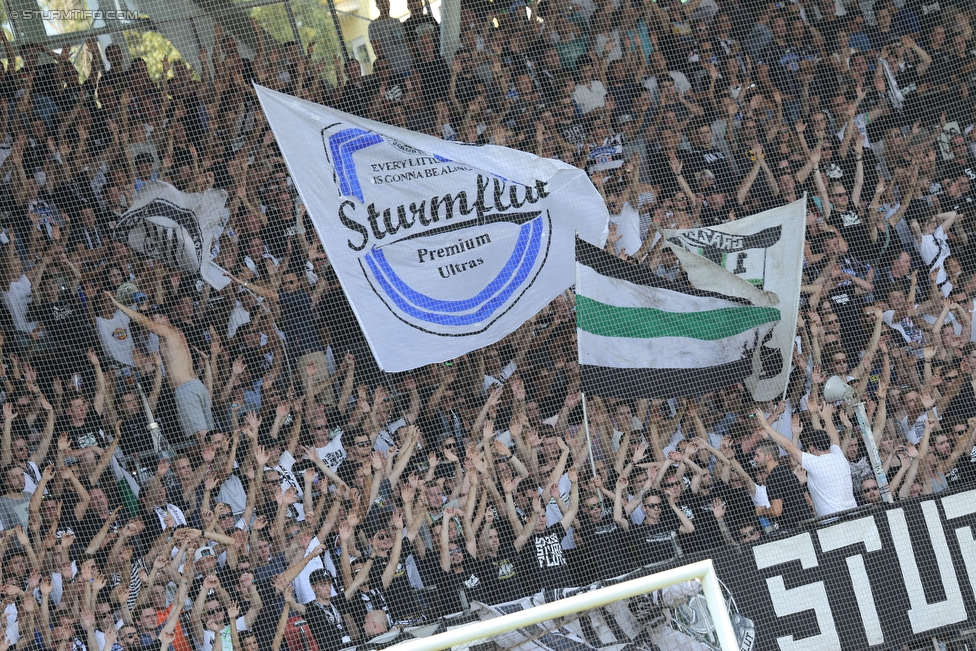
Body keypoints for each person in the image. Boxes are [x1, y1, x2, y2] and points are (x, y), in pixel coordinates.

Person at [755, 406, 857, 518]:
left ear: (812, 449)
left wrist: (766, 425)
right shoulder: (839, 456)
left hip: (833, 523)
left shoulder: (815, 463)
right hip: (856, 516)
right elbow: (835, 440)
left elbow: (789, 447)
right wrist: (827, 418)